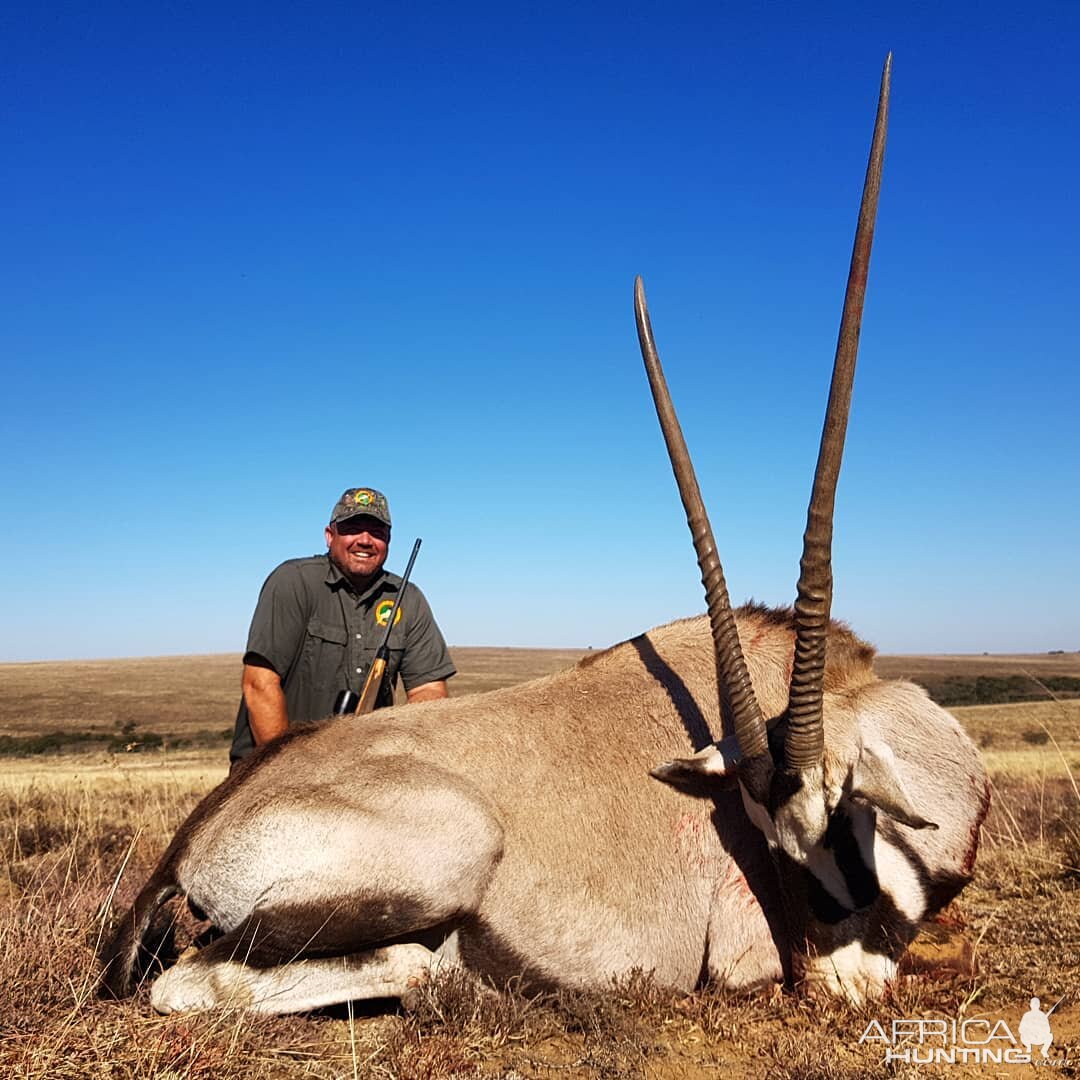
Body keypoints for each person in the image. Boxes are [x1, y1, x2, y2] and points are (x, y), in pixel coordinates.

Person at [229, 487, 455, 763]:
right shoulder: (292, 582)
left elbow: (429, 691)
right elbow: (259, 685)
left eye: (376, 531)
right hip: (277, 771)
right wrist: (290, 771)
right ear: (329, 535)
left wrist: (393, 755)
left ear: (388, 540)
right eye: (353, 528)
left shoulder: (408, 598)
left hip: (364, 773)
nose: (364, 540)